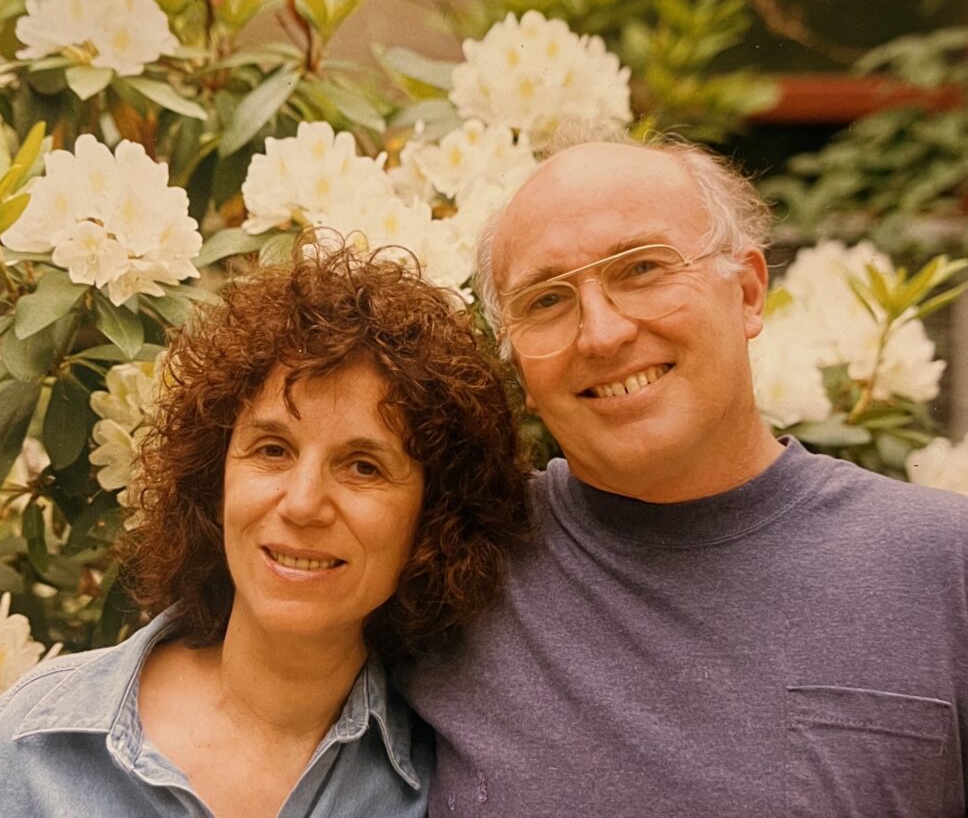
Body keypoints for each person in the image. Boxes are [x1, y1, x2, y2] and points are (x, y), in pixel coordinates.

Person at [401, 139, 968, 817]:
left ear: (750, 291)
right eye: (547, 300)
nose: (603, 334)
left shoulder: (942, 567)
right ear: (516, 364)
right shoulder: (453, 567)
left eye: (641, 268)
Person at [0, 242, 531, 817]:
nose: (304, 504)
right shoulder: (40, 742)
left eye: (363, 466)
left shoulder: (441, 786)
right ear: (215, 476)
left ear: (434, 518)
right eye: (273, 449)